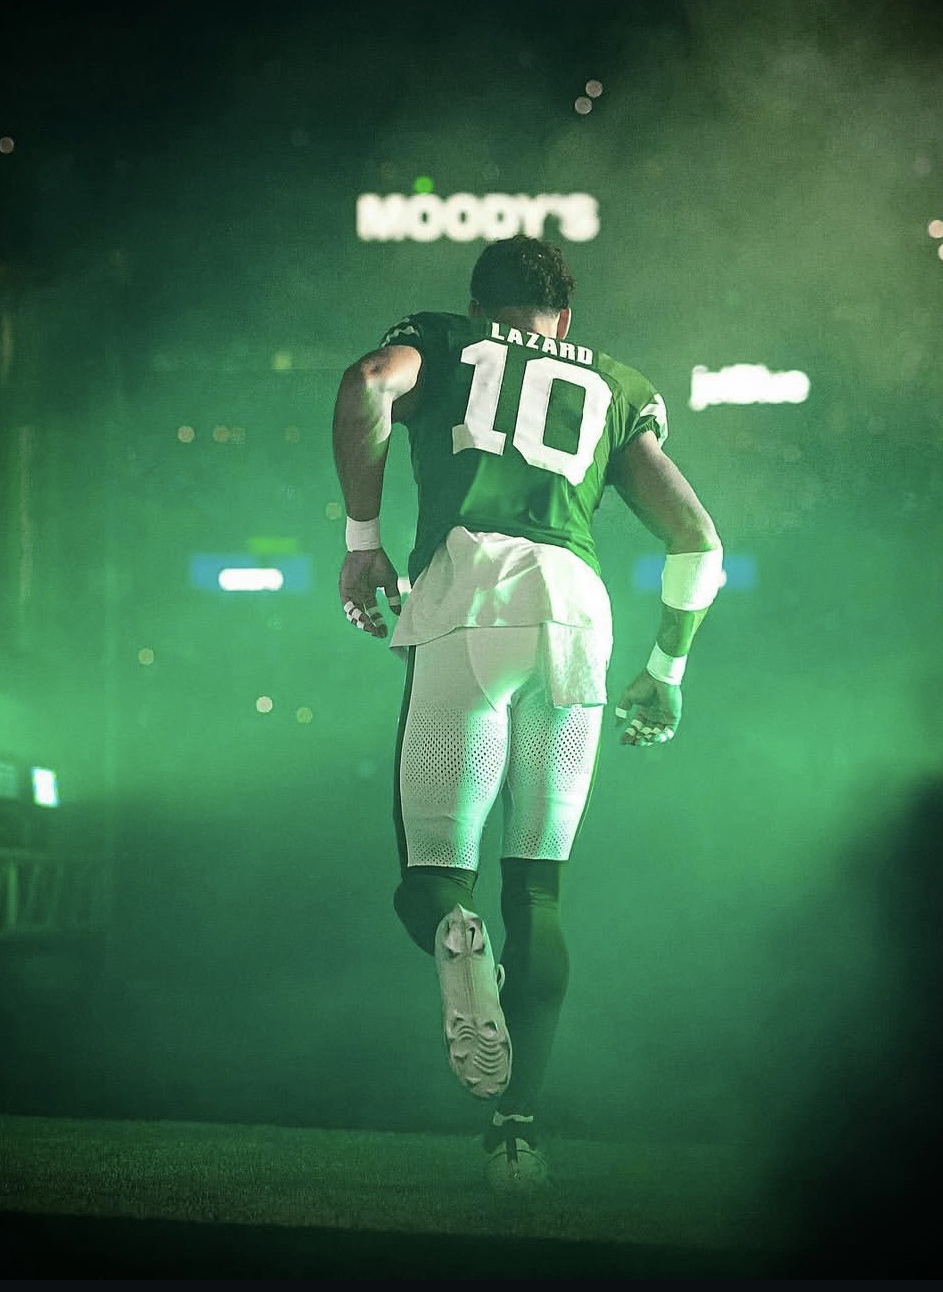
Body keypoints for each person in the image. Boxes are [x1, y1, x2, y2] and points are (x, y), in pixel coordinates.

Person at [332, 234, 722, 1192]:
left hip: (470, 596)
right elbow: (697, 538)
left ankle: (455, 943)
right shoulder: (616, 383)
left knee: (430, 884)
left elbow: (368, 385)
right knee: (538, 892)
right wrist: (666, 667)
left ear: (478, 305)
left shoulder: (445, 340)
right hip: (577, 616)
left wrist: (361, 539)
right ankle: (516, 1134)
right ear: (565, 319)